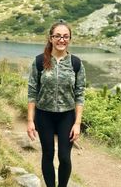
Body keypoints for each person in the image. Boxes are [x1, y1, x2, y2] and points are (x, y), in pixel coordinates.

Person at [27, 21, 86, 187]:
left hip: (67, 116)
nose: (62, 39)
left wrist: (77, 123)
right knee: (48, 154)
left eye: (66, 36)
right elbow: (32, 92)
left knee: (64, 157)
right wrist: (30, 120)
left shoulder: (76, 63)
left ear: (70, 39)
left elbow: (80, 94)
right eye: (58, 36)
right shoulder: (39, 61)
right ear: (51, 38)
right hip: (44, 115)